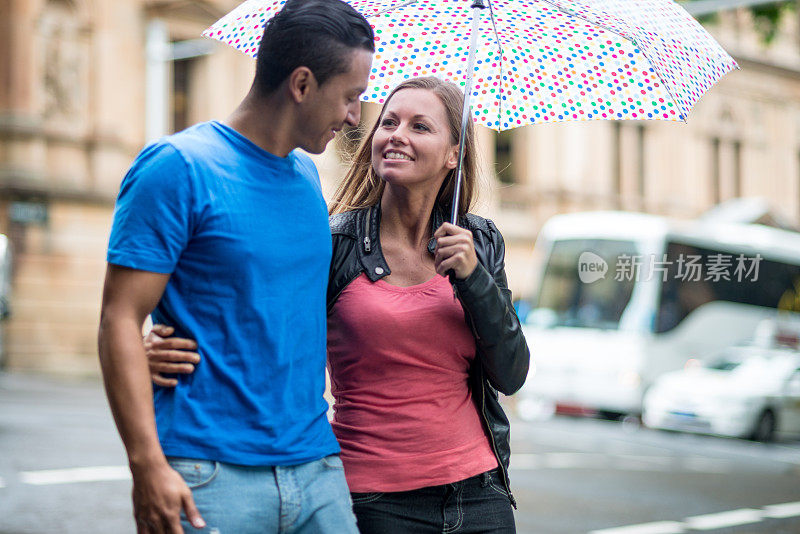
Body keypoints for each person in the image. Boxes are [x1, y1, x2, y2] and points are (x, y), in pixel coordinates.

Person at [148, 76, 530, 533]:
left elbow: (511, 372)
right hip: (373, 500)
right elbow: (264, 325)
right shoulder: (335, 242)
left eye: (420, 126)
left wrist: (473, 280)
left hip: (480, 495)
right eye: (388, 122)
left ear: (454, 154)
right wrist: (155, 346)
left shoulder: (480, 241)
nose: (396, 135)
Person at [97, 1, 374, 532]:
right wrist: (147, 465)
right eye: (350, 97)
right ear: (301, 84)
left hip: (316, 466)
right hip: (209, 472)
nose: (354, 117)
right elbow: (118, 319)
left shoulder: (308, 178)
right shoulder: (176, 168)